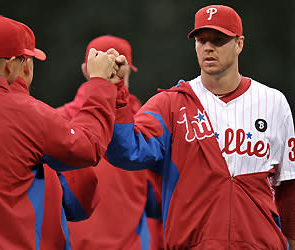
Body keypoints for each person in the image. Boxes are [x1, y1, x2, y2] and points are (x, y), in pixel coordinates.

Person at [106, 5, 295, 249]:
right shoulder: (172, 103)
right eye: (201, 40)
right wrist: (116, 95)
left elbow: (289, 186)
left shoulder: (273, 102)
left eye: (219, 40)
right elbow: (127, 152)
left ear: (239, 44)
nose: (208, 47)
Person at [0, 15, 127, 249]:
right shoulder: (27, 112)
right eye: (27, 60)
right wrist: (99, 84)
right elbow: (88, 146)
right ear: (12, 63)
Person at [58, 35, 164, 250]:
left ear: (85, 70)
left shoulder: (54, 122)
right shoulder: (145, 129)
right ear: (126, 71)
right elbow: (160, 200)